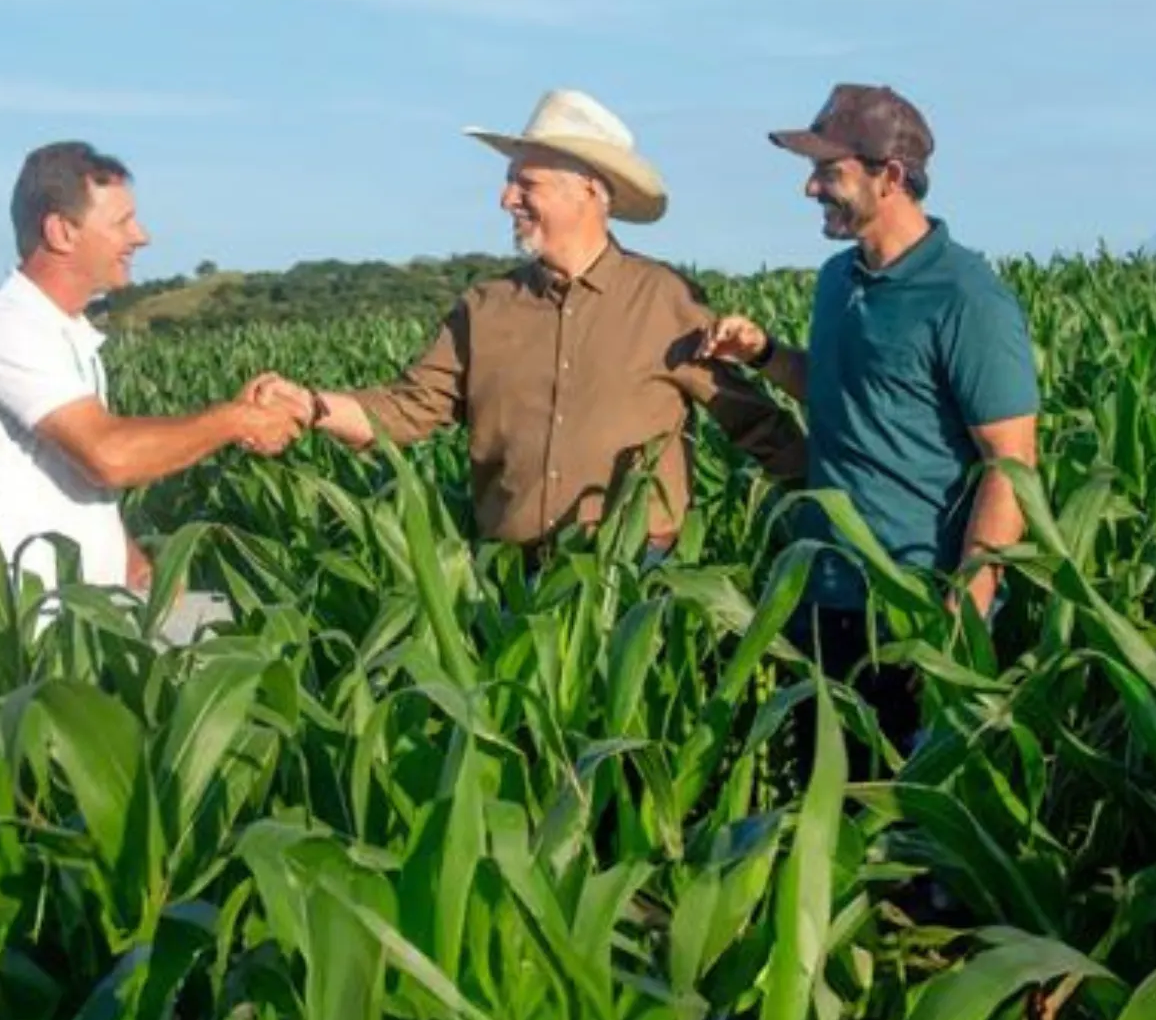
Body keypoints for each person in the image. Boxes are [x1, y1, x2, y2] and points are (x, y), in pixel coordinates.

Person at [262, 89, 806, 561]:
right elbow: (405, 411)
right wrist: (310, 406)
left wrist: (838, 505)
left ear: (589, 190)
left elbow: (754, 424)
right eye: (508, 184)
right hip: (510, 580)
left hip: (636, 572)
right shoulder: (485, 307)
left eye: (527, 184)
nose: (506, 199)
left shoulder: (665, 300)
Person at [700, 84, 1041, 771]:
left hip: (913, 604)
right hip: (822, 590)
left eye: (830, 172)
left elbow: (1011, 466)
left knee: (913, 828)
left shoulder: (966, 297)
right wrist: (765, 354)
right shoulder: (837, 280)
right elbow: (837, 394)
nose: (809, 188)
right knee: (826, 804)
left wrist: (964, 612)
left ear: (889, 177)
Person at [0, 141, 305, 685]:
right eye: (123, 222)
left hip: (83, 630)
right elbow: (107, 455)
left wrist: (135, 566)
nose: (141, 236)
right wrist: (237, 420)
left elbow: (68, 480)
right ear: (61, 231)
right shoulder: (0, 324)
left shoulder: (65, 335)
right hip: (10, 646)